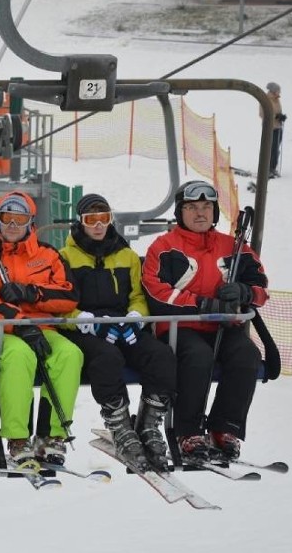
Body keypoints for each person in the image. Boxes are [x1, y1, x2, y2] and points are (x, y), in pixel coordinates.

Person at [142, 181, 269, 462]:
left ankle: (225, 427)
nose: (200, 214)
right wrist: (202, 303)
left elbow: (261, 288)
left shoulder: (233, 247)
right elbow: (157, 293)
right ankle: (188, 431)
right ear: (180, 212)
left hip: (222, 327)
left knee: (247, 355)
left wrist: (244, 292)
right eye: (192, 208)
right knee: (198, 357)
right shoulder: (164, 248)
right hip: (179, 329)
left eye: (206, 207)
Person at [58, 194, 177, 471]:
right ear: (81, 222)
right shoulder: (65, 257)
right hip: (86, 331)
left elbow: (137, 295)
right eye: (91, 220)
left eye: (104, 219)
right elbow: (60, 304)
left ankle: (148, 424)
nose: (98, 226)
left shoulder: (126, 256)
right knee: (107, 358)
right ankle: (119, 424)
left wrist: (135, 317)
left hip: (123, 327)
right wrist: (85, 321)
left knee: (160, 355)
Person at [0, 191, 83, 465]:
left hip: (43, 328)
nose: (12, 226)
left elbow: (68, 296)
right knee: (19, 356)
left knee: (69, 355)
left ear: (31, 223)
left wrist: (33, 293)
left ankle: (51, 435)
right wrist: (17, 322)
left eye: (20, 220)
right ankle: (18, 437)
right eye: (7, 218)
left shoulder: (47, 255)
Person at [259, 82, 286, 177]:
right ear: (273, 91)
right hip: (269, 128)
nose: (279, 93)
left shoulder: (277, 100)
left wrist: (281, 117)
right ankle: (267, 168)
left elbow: (278, 111)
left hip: (278, 127)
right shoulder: (265, 99)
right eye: (278, 91)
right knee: (270, 149)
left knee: (276, 149)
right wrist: (275, 116)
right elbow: (262, 114)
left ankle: (273, 167)